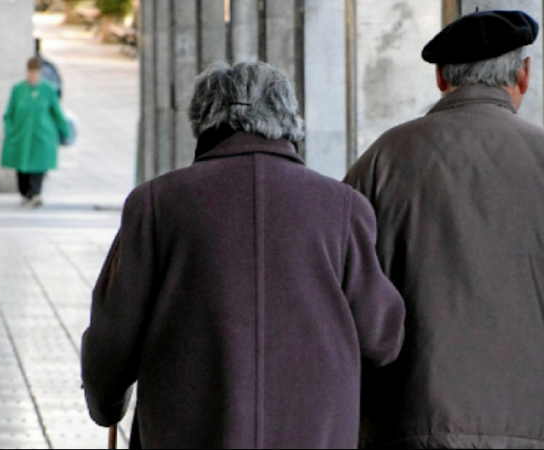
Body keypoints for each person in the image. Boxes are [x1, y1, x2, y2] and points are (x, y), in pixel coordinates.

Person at [344, 10, 544, 450]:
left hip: (408, 426)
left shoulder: (381, 162)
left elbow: (339, 293)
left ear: (440, 77)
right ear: (525, 75)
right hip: (542, 426)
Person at [82, 62, 406, 449]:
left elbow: (114, 336)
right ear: (290, 120)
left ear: (202, 122)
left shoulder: (157, 203)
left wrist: (107, 405)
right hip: (313, 432)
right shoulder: (343, 207)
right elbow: (381, 340)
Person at [1, 57, 69, 209]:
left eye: (36, 73)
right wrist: (10, 131)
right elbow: (9, 113)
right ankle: (26, 194)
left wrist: (65, 131)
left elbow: (57, 113)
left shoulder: (48, 89)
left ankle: (36, 194)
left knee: (38, 166)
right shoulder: (18, 89)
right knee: (22, 167)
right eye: (30, 73)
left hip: (42, 136)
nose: (33, 76)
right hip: (21, 135)